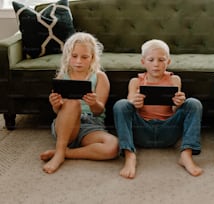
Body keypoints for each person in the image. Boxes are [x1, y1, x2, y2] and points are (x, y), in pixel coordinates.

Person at [113, 39, 203, 179]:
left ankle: (186, 154)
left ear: (168, 62)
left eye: (161, 60)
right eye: (151, 60)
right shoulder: (136, 81)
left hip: (168, 130)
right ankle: (129, 155)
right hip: (142, 130)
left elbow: (174, 109)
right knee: (121, 104)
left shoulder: (174, 80)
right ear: (143, 62)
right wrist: (134, 102)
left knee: (193, 103)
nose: (156, 64)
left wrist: (178, 103)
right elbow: (129, 104)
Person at [40, 32, 119, 174]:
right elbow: (58, 112)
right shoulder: (63, 77)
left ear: (92, 58)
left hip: (91, 124)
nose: (78, 61)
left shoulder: (99, 77)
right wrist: (55, 104)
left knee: (113, 146)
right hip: (66, 126)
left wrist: (94, 103)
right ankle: (59, 153)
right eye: (74, 56)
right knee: (73, 103)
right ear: (67, 56)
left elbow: (99, 111)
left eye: (84, 57)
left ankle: (64, 152)